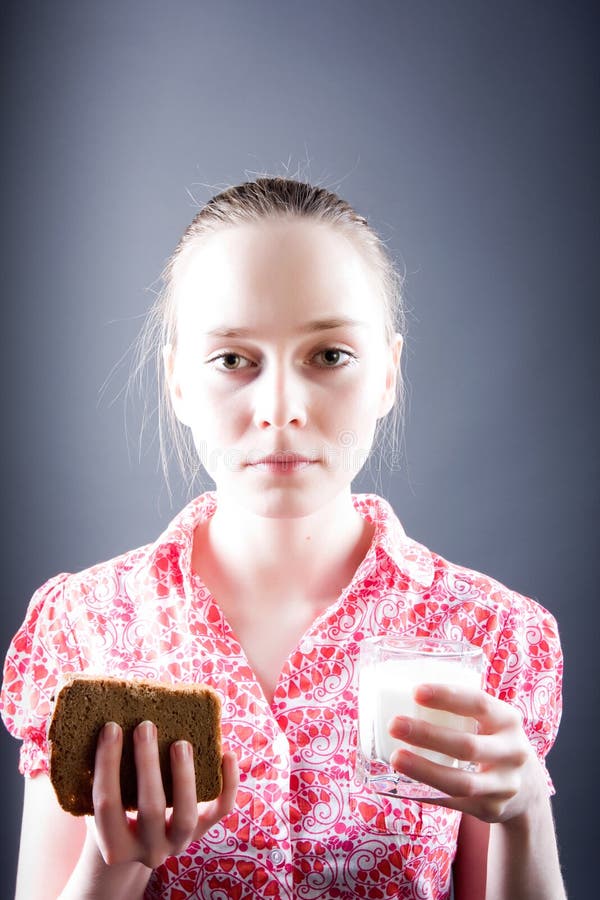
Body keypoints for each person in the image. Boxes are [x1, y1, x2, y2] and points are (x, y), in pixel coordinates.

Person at [1, 177, 566, 899]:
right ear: (177, 379)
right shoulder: (85, 627)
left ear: (388, 373)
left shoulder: (492, 633)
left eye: (328, 356)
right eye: (234, 359)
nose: (281, 408)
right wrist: (114, 864)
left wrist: (524, 816)